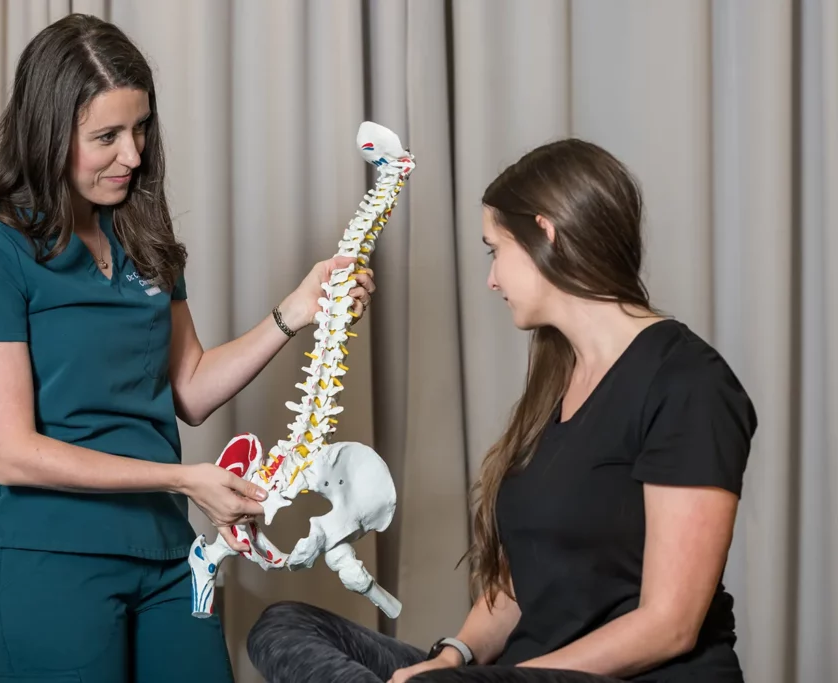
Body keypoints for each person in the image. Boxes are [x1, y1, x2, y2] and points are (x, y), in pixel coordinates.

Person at [0, 14, 375, 683]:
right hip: (46, 559)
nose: (133, 155)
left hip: (170, 555)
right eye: (105, 136)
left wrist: (296, 312)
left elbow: (189, 387)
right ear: (47, 133)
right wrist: (183, 478)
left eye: (140, 129)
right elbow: (12, 452)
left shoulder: (136, 231)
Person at [246, 138, 756, 683]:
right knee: (283, 627)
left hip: (619, 676)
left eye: (495, 250)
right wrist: (453, 656)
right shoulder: (558, 379)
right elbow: (520, 583)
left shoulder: (689, 384)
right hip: (511, 674)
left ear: (546, 233)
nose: (491, 279)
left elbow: (669, 625)